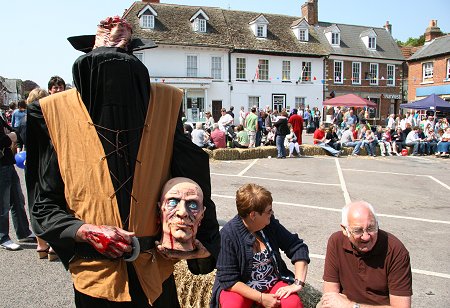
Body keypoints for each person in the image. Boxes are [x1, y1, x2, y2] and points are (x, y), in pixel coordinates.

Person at [26, 16, 219, 307]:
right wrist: (84, 231)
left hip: (155, 274)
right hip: (96, 279)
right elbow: (44, 202)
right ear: (87, 57)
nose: (112, 67)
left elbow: (195, 184)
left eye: (123, 53)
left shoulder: (166, 105)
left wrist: (201, 247)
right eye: (102, 54)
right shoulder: (54, 114)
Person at [211, 183, 309, 308]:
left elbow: (297, 247)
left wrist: (298, 283)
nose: (272, 213)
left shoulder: (270, 224)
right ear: (253, 215)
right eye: (268, 211)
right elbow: (228, 280)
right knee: (233, 305)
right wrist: (261, 298)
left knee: (292, 304)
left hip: (272, 282)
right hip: (240, 287)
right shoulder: (228, 234)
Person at [320, 201, 412, 308]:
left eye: (371, 228)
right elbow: (331, 295)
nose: (366, 236)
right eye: (358, 230)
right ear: (345, 230)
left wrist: (352, 306)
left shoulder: (396, 251)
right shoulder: (336, 241)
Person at [1, 113, 35, 251]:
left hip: (7, 162)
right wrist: (9, 138)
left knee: (17, 199)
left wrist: (10, 136)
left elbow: (13, 132)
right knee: (3, 204)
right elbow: (6, 139)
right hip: (1, 164)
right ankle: (3, 237)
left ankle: (24, 232)